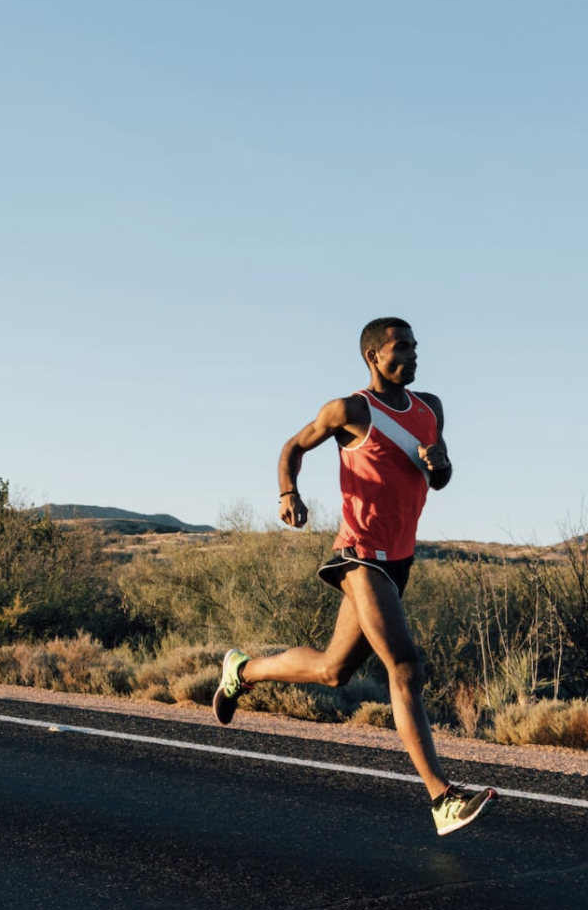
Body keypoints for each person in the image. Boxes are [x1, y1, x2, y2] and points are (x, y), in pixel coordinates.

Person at [211, 319, 496, 836]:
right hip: (359, 555)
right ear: (373, 356)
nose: (412, 356)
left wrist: (442, 465)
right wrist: (288, 494)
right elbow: (293, 447)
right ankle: (442, 798)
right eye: (400, 348)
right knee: (405, 665)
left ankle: (242, 671)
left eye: (414, 347)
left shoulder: (431, 408)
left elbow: (438, 478)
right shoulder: (351, 410)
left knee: (332, 671)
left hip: (398, 560)